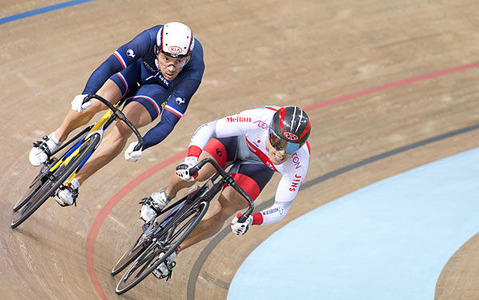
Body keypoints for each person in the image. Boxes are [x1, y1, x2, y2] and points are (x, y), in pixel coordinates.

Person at [28, 22, 205, 206]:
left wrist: (143, 145)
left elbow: (168, 121)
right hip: (136, 70)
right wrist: (86, 93)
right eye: (167, 58)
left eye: (179, 61)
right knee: (95, 102)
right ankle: (55, 140)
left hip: (159, 89)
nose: (171, 67)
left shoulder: (193, 71)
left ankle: (75, 182)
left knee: (124, 126)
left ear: (188, 57)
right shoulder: (148, 39)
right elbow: (111, 64)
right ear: (157, 49)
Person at [140, 105, 311, 279]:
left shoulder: (299, 162)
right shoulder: (257, 120)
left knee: (226, 209)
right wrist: (190, 160)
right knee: (196, 172)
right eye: (279, 143)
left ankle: (173, 251)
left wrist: (252, 219)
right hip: (236, 142)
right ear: (270, 132)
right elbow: (209, 128)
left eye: (291, 148)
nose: (282, 153)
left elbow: (281, 208)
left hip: (258, 166)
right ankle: (163, 196)